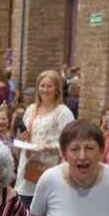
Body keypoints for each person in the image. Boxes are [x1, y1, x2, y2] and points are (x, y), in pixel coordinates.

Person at [14, 70, 74, 207]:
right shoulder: (31, 109)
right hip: (29, 163)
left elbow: (70, 141)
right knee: (25, 205)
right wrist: (23, 139)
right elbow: (30, 134)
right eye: (42, 86)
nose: (45, 90)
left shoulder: (63, 112)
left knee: (46, 205)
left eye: (49, 86)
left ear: (57, 89)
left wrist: (51, 147)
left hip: (49, 164)